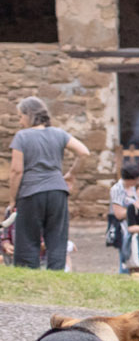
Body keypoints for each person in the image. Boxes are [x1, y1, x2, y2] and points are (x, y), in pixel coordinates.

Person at [8, 96, 88, 270]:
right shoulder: (59, 133)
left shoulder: (21, 137)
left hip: (30, 193)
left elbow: (16, 171)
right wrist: (71, 174)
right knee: (57, 237)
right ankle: (56, 274)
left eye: (20, 117)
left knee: (28, 238)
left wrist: (12, 200)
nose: (20, 122)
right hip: (57, 192)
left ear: (29, 115)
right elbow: (84, 152)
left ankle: (28, 277)